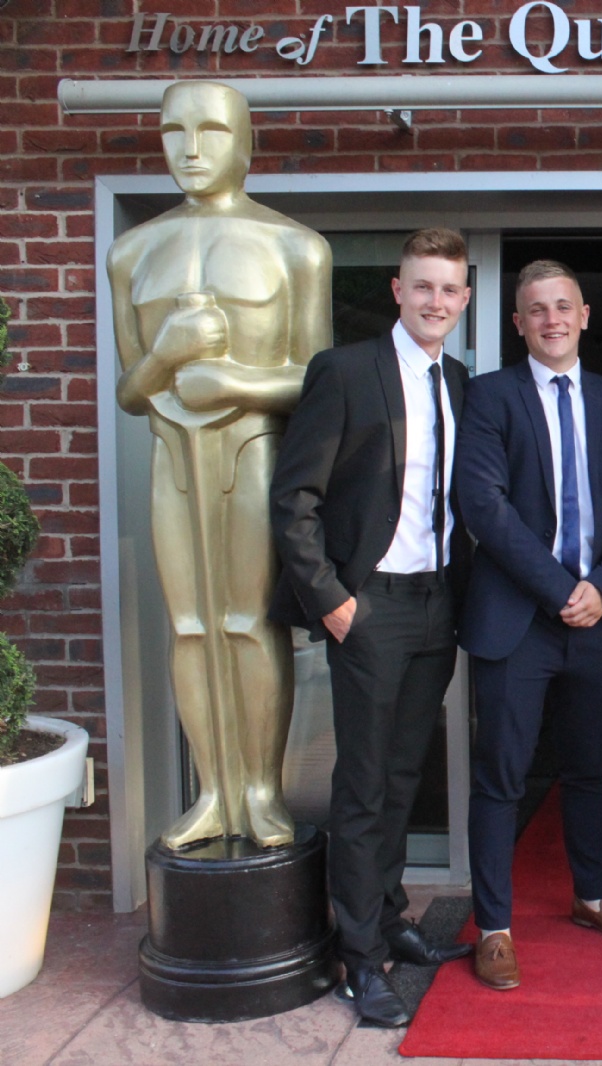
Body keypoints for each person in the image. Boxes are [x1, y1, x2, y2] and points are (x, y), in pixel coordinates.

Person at [109, 80, 331, 851]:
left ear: (246, 142)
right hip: (172, 457)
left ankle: (262, 792)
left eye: (211, 130)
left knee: (247, 623)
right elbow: (130, 390)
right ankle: (213, 790)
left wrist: (235, 382)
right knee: (188, 626)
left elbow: (316, 378)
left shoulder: (295, 247)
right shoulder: (131, 252)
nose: (191, 149)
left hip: (252, 452)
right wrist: (165, 356)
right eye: (174, 131)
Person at [270, 227, 476, 1027]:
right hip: (369, 604)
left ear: (464, 298)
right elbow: (294, 497)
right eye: (422, 285)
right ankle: (359, 959)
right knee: (360, 786)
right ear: (398, 290)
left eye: (449, 289)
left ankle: (389, 919)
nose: (435, 301)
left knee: (402, 776)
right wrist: (330, 597)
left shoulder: (457, 380)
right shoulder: (347, 371)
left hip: (436, 601)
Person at [455, 260, 602, 993]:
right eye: (536, 310)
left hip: (597, 620)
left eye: (563, 306)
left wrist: (601, 588)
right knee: (501, 775)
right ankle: (494, 927)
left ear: (584, 315)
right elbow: (484, 506)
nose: (551, 320)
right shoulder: (489, 396)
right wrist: (560, 589)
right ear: (518, 323)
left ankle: (591, 897)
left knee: (587, 768)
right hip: (518, 619)